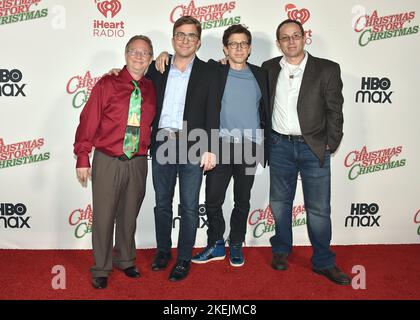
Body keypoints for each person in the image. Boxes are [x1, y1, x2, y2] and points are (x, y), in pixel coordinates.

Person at [261, 19, 350, 285]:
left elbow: (336, 110)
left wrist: (331, 143)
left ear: (304, 37)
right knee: (279, 203)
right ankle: (280, 250)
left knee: (319, 208)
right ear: (278, 43)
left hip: (314, 147)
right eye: (285, 38)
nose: (291, 41)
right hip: (279, 146)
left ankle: (324, 261)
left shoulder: (327, 69)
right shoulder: (267, 68)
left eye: (295, 36)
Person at [74, 35, 156, 289]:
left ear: (151, 58)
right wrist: (82, 156)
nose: (139, 56)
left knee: (129, 214)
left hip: (138, 161)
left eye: (145, 53)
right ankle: (101, 266)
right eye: (134, 51)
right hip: (108, 159)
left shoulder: (152, 88)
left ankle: (126, 259)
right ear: (125, 54)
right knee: (103, 216)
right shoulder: (107, 84)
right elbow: (88, 120)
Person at [188, 25, 270, 267]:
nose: (238, 48)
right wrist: (164, 57)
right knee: (213, 200)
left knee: (242, 200)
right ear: (225, 48)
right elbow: (188, 60)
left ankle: (236, 242)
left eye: (243, 43)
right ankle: (215, 244)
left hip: (249, 147)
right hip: (220, 146)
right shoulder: (215, 71)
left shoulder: (261, 74)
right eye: (233, 44)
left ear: (250, 48)